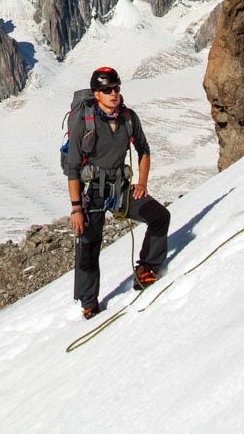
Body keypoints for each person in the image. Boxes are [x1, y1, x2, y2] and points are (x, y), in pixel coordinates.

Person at [63, 66, 170, 320]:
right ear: (96, 94)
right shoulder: (83, 122)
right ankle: (89, 304)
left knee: (159, 216)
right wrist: (76, 209)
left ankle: (146, 269)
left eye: (116, 88)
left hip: (121, 187)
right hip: (94, 193)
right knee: (89, 246)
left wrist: (142, 183)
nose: (114, 94)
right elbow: (73, 168)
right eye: (107, 90)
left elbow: (144, 150)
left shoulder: (128, 118)